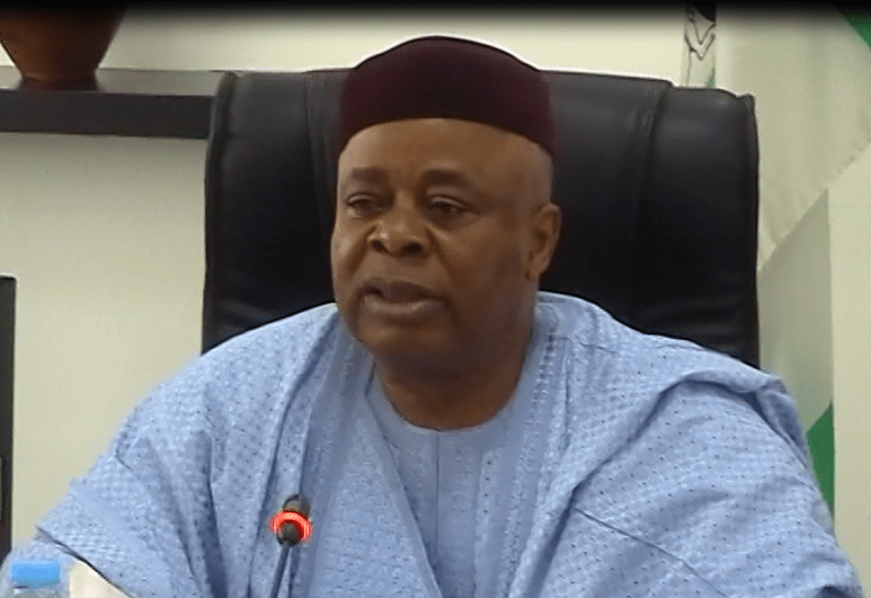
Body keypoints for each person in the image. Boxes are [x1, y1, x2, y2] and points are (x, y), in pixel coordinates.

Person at [1, 35, 865, 598]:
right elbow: (64, 572)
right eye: (363, 202)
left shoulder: (677, 431)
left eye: (445, 206)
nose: (394, 236)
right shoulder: (231, 406)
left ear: (538, 240)